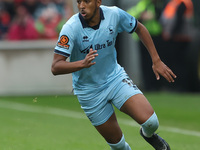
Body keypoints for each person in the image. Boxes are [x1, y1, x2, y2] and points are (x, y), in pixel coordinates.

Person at [51, 0, 176, 149]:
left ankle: (148, 135)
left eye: (87, 1)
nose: (82, 6)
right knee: (118, 146)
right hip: (89, 92)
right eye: (78, 2)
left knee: (151, 122)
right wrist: (81, 64)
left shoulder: (114, 14)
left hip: (115, 79)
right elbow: (56, 66)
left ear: (98, 2)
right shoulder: (71, 28)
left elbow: (140, 28)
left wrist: (156, 60)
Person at [127, 0, 165, 91]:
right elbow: (130, 15)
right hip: (144, 38)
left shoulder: (158, 4)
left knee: (156, 61)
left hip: (156, 36)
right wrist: (141, 15)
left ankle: (157, 85)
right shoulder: (144, 4)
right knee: (146, 62)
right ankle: (149, 85)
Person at [160, 0, 195, 91]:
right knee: (176, 63)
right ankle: (176, 85)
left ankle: (180, 86)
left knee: (179, 63)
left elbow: (179, 20)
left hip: (179, 38)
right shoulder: (174, 2)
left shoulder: (183, 3)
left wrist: (170, 33)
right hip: (176, 37)